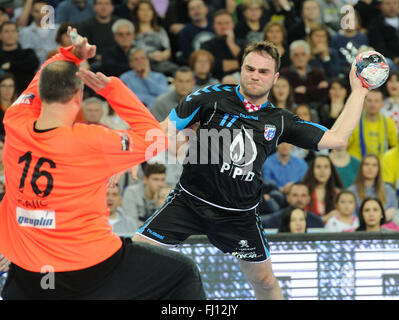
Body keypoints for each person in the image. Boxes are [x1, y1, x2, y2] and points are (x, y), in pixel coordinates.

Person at [133, 39, 371, 300]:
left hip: (239, 216)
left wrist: (358, 91)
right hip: (189, 202)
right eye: (250, 69)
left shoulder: (279, 120)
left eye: (263, 71)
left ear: (275, 77)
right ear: (241, 69)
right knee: (136, 255)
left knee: (265, 282)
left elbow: (337, 139)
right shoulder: (210, 97)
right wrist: (130, 158)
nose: (255, 76)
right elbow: (162, 128)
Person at [0, 27, 205, 300]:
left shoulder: (14, 122)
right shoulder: (92, 141)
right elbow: (156, 138)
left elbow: (41, 80)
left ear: (40, 95)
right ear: (78, 97)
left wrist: (67, 55)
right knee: (184, 272)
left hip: (28, 271)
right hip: (88, 268)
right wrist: (113, 89)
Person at [347, 89, 398, 161]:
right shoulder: (354, 122)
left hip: (380, 167)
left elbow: (394, 148)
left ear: (382, 104)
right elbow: (344, 146)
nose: (372, 104)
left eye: (376, 101)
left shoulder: (389, 123)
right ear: (363, 102)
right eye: (369, 100)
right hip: (356, 167)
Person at [132, 0, 178, 76]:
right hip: (141, 64)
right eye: (142, 10)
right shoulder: (131, 31)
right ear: (136, 13)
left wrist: (162, 55)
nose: (146, 13)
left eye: (149, 10)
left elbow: (168, 50)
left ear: (153, 12)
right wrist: (149, 56)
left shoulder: (160, 30)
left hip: (161, 62)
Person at [279, 40, 329, 107]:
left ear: (309, 56)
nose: (300, 58)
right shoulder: (284, 73)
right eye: (296, 55)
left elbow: (323, 94)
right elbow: (289, 95)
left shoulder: (318, 73)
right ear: (291, 57)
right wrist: (316, 88)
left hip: (316, 107)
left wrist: (306, 90)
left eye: (303, 54)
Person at [348, 154, 398, 220]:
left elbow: (395, 214)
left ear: (378, 169)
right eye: (366, 164)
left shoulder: (389, 191)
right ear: (361, 168)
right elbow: (350, 218)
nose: (370, 168)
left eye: (374, 165)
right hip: (360, 228)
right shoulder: (351, 192)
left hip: (385, 228)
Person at [200, 9, 244, 80]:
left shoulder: (242, 43)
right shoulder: (206, 45)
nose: (223, 26)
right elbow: (214, 66)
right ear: (214, 26)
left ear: (233, 24)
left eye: (227, 23)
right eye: (219, 23)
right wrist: (241, 64)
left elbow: (247, 61)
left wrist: (231, 43)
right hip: (216, 82)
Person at [0, 21, 39, 94]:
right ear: (0, 35)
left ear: (18, 34)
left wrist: (11, 65)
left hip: (27, 95)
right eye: (6, 31)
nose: (10, 34)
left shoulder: (27, 53)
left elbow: (34, 64)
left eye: (13, 31)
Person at [122, 163, 167, 227]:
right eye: (156, 179)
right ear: (145, 179)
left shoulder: (166, 195)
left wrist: (161, 206)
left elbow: (168, 224)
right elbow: (131, 223)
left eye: (162, 180)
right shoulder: (131, 192)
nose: (160, 184)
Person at [302, 155, 343, 222]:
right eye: (318, 167)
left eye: (326, 167)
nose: (322, 171)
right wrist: (324, 218)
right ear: (312, 170)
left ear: (331, 170)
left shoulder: (337, 193)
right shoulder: (303, 191)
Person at [18, 0, 59, 66]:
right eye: (36, 11)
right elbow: (25, 57)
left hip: (57, 68)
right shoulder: (25, 32)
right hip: (34, 71)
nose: (40, 15)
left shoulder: (58, 29)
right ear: (31, 12)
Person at [177, 0, 215, 65]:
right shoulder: (185, 32)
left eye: (199, 7)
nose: (196, 11)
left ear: (206, 9)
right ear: (188, 13)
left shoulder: (216, 27)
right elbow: (188, 57)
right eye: (192, 9)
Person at [368, 0, 399, 71]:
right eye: (388, 4)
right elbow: (378, 46)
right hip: (389, 59)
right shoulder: (375, 24)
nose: (392, 6)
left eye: (395, 3)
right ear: (381, 6)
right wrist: (394, 58)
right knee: (388, 63)